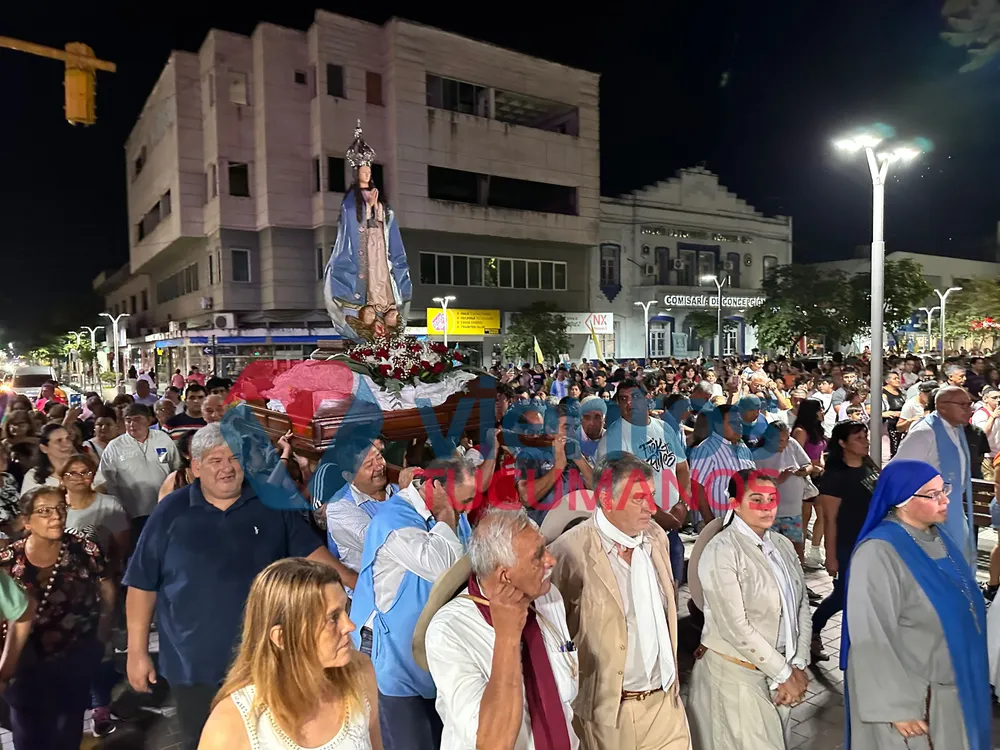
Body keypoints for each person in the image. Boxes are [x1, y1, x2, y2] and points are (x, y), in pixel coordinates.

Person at [123, 423, 349, 750]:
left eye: (235, 458)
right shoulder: (170, 512)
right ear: (196, 467)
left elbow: (311, 553)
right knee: (204, 741)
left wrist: (353, 580)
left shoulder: (272, 503)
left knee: (273, 738)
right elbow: (142, 585)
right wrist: (137, 652)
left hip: (268, 659)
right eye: (215, 460)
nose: (227, 468)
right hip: (195, 666)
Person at [842, 459, 990, 749]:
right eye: (933, 494)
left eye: (943, 490)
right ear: (903, 502)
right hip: (916, 698)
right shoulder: (879, 553)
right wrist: (895, 706)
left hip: (955, 684)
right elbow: (871, 634)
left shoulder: (938, 538)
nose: (945, 499)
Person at [550, 454, 690, 750]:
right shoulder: (569, 553)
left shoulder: (654, 538)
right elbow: (553, 637)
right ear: (607, 499)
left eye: (651, 496)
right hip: (610, 716)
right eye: (638, 498)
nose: (651, 508)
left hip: (665, 706)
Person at [423, 510, 579, 750]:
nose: (551, 560)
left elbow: (565, 700)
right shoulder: (449, 631)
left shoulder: (549, 598)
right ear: (505, 577)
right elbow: (493, 743)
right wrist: (507, 637)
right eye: (538, 556)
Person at [350, 457, 475, 750]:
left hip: (433, 648)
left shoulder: (456, 513)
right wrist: (446, 513)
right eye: (463, 500)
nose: (466, 509)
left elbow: (469, 559)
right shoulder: (391, 520)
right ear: (437, 487)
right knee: (409, 742)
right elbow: (443, 565)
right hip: (392, 655)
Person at [199, 558, 381, 749]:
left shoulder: (359, 673)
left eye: (346, 609)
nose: (350, 626)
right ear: (282, 638)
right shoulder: (231, 725)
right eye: (333, 618)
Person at [688, 470, 811, 750]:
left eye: (772, 498)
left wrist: (799, 663)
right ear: (734, 503)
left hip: (778, 672)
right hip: (734, 677)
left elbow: (800, 604)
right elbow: (735, 626)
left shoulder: (781, 545)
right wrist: (785, 673)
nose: (767, 506)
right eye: (756, 499)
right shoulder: (722, 550)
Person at [1, 486, 115, 749]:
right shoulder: (8, 560)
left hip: (74, 658)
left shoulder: (84, 549)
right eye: (44, 511)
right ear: (26, 521)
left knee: (68, 729)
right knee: (29, 735)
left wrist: (101, 638)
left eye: (60, 509)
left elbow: (107, 591)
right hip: (23, 665)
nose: (56, 516)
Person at [324, 120, 411, 341]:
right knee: (369, 278)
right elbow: (350, 226)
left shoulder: (379, 199)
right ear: (356, 173)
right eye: (362, 171)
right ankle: (366, 304)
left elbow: (388, 222)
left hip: (379, 245)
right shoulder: (351, 202)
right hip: (362, 250)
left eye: (368, 171)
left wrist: (378, 210)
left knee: (382, 276)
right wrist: (369, 209)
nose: (366, 174)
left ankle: (384, 304)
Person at [811, 422, 878, 664]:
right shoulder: (835, 477)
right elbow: (829, 519)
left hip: (872, 542)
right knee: (843, 596)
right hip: (848, 544)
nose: (865, 441)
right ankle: (814, 628)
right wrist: (831, 556)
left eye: (865, 436)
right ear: (842, 443)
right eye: (858, 438)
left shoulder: (868, 464)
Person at [890, 384, 977, 568]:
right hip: (930, 513)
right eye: (963, 405)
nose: (969, 409)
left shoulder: (956, 428)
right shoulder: (925, 433)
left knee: (960, 560)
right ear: (942, 406)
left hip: (953, 507)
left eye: (969, 404)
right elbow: (897, 472)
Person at [95, 402, 181, 546]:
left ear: (149, 419)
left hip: (165, 509)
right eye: (128, 420)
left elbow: (176, 469)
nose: (132, 424)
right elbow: (105, 481)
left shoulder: (163, 439)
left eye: (137, 419)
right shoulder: (115, 447)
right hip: (132, 514)